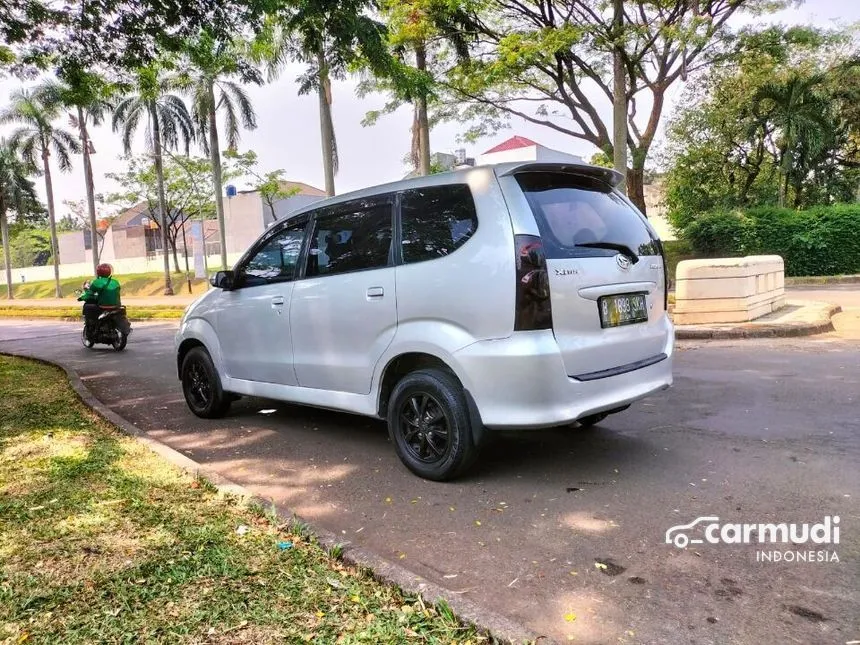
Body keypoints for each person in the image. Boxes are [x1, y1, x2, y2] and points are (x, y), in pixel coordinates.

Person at [77, 263, 131, 335]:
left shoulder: (97, 282)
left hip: (103, 306)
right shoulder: (115, 282)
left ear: (98, 272)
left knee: (87, 307)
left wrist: (81, 298)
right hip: (116, 306)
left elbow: (89, 294)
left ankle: (92, 325)